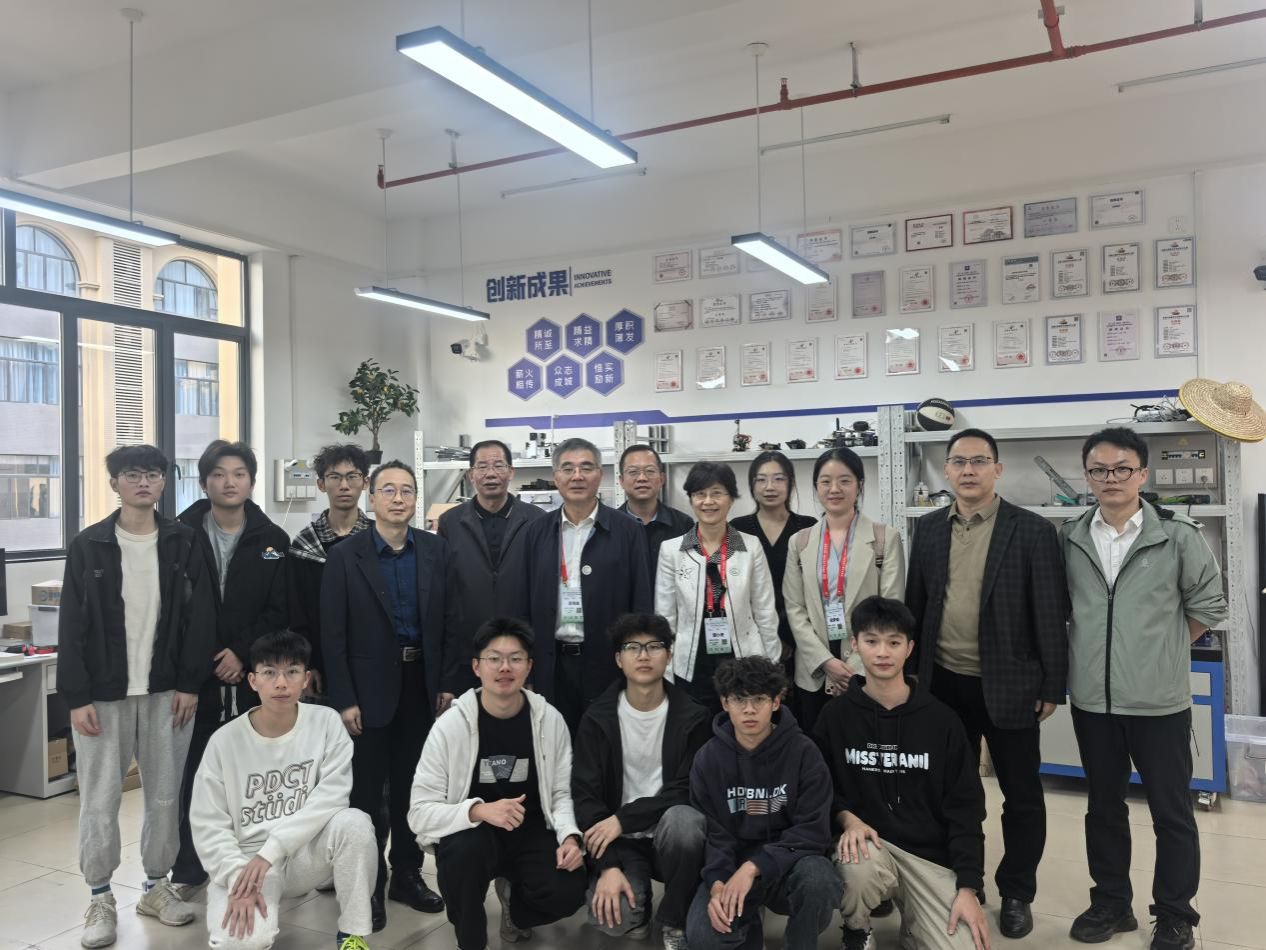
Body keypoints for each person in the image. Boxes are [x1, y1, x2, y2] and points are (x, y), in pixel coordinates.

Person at [1061, 427, 1227, 950]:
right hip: (1094, 702)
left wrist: (1162, 651)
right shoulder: (1070, 537)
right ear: (1087, 476)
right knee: (1103, 808)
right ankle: (1111, 903)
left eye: (1122, 469)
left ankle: (1176, 915)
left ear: (1142, 474)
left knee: (1171, 813)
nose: (1110, 478)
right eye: (1099, 470)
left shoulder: (1177, 535)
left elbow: (1209, 604)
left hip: (1160, 703)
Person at [904, 428, 1068, 938]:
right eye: (958, 462)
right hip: (942, 683)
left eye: (979, 461)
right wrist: (911, 673)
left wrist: (1053, 685)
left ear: (997, 469)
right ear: (946, 471)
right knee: (951, 791)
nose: (968, 470)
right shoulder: (928, 529)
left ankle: (1017, 890)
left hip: (1010, 684)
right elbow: (916, 604)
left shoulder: (1032, 530)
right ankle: (959, 881)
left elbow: (1051, 613)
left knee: (1021, 795)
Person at [58, 444, 215, 949]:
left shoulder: (184, 541)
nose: (143, 482)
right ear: (115, 484)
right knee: (100, 799)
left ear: (164, 482)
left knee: (165, 795)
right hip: (103, 695)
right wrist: (76, 696)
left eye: (152, 474)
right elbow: (71, 623)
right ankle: (100, 896)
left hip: (167, 691)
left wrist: (190, 682)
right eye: (131, 475)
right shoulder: (90, 544)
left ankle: (155, 886)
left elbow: (200, 617)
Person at [322, 460, 460, 929]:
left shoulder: (436, 550)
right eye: (388, 490)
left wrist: (447, 683)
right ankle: (368, 883)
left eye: (406, 491)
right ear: (372, 496)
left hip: (422, 685)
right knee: (365, 793)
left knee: (411, 788)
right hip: (367, 692)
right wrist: (344, 698)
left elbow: (451, 622)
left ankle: (406, 874)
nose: (398, 499)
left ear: (416, 498)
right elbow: (332, 634)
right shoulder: (345, 556)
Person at [816, 596, 992, 950]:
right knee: (857, 866)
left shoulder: (942, 721)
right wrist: (847, 818)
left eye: (894, 642)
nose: (883, 653)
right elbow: (817, 790)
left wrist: (968, 887)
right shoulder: (834, 717)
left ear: (909, 648)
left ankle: (915, 928)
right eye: (872, 641)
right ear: (855, 645)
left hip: (928, 856)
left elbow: (966, 807)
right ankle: (856, 928)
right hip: (869, 846)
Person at [408, 618, 587, 950]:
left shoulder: (549, 720)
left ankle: (516, 911)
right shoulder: (450, 726)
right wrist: (478, 811)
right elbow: (419, 813)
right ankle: (471, 941)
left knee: (569, 889)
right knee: (462, 856)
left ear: (529, 666)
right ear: (477, 667)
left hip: (532, 829)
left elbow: (561, 793)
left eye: (515, 658)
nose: (505, 668)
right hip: (475, 833)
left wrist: (570, 836)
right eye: (494, 658)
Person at [191, 631, 377, 950]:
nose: (281, 683)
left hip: (303, 852)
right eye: (269, 673)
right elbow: (208, 824)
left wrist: (273, 851)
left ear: (306, 679)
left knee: (355, 823)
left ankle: (352, 933)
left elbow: (332, 797)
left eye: (292, 671)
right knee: (242, 943)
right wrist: (237, 876)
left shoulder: (326, 723)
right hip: (246, 861)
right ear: (252, 681)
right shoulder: (224, 741)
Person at [173, 440, 291, 898]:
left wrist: (241, 653)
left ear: (251, 482)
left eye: (239, 474)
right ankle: (189, 869)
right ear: (204, 482)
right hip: (193, 676)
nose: (229, 482)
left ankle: (252, 866)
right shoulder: (180, 535)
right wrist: (205, 657)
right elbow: (173, 610)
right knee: (196, 774)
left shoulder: (272, 540)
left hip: (250, 676)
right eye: (219, 474)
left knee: (254, 775)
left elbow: (279, 609)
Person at [572, 613, 712, 950]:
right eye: (632, 647)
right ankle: (639, 900)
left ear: (669, 655)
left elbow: (688, 789)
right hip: (619, 842)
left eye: (654, 647)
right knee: (614, 919)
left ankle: (675, 916)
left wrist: (624, 818)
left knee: (685, 822)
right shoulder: (597, 718)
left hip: (667, 837)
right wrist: (607, 866)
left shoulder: (694, 716)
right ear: (618, 659)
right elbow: (585, 795)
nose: (644, 655)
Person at [685, 656, 841, 950]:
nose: (749, 710)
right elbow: (714, 834)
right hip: (732, 870)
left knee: (819, 879)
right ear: (724, 703)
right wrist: (718, 883)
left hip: (788, 866)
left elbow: (812, 830)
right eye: (739, 700)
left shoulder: (804, 752)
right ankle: (748, 929)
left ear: (776, 702)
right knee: (704, 938)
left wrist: (755, 867)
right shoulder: (708, 759)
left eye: (759, 699)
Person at [519, 437, 653, 732]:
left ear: (600, 475)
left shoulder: (627, 531)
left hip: (608, 666)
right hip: (552, 666)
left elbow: (641, 604)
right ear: (556, 477)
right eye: (568, 469)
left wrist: (637, 662)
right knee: (555, 744)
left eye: (586, 468)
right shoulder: (536, 532)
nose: (577, 476)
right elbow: (523, 604)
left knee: (605, 746)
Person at [783, 447, 905, 734]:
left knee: (864, 748)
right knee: (818, 749)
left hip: (867, 669)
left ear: (859, 485)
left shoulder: (884, 538)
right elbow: (794, 608)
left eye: (844, 480)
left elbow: (891, 609)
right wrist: (826, 661)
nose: (834, 489)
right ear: (816, 487)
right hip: (814, 670)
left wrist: (853, 667)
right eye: (825, 481)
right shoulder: (800, 542)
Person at [655, 462, 779, 716]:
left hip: (744, 658)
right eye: (700, 494)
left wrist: (772, 667)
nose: (708, 501)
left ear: (731, 499)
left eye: (717, 493)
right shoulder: (671, 550)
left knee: (743, 728)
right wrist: (666, 672)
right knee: (695, 728)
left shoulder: (751, 547)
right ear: (691, 499)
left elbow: (765, 612)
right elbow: (665, 618)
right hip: (690, 662)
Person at [437, 439, 546, 695]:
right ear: (471, 474)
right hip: (468, 653)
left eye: (498, 465)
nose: (490, 473)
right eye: (482, 466)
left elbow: (542, 593)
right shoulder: (450, 522)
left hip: (519, 652)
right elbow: (444, 594)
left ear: (511, 471)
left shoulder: (536, 521)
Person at [730, 450, 817, 712]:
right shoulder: (736, 529)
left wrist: (792, 637)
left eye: (778, 479)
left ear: (790, 483)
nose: (770, 487)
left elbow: (814, 588)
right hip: (750, 636)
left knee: (798, 711)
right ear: (752, 485)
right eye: (761, 479)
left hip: (802, 635)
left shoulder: (808, 527)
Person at [288, 443, 373, 698]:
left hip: (373, 662)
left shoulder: (378, 541)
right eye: (335, 477)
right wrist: (308, 664)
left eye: (352, 476)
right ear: (321, 484)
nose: (344, 485)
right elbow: (298, 613)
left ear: (365, 482)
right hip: (320, 665)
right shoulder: (304, 545)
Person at [616, 444, 694, 580]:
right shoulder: (609, 527)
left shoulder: (684, 525)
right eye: (633, 472)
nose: (642, 478)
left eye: (650, 471)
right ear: (621, 481)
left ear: (662, 479)